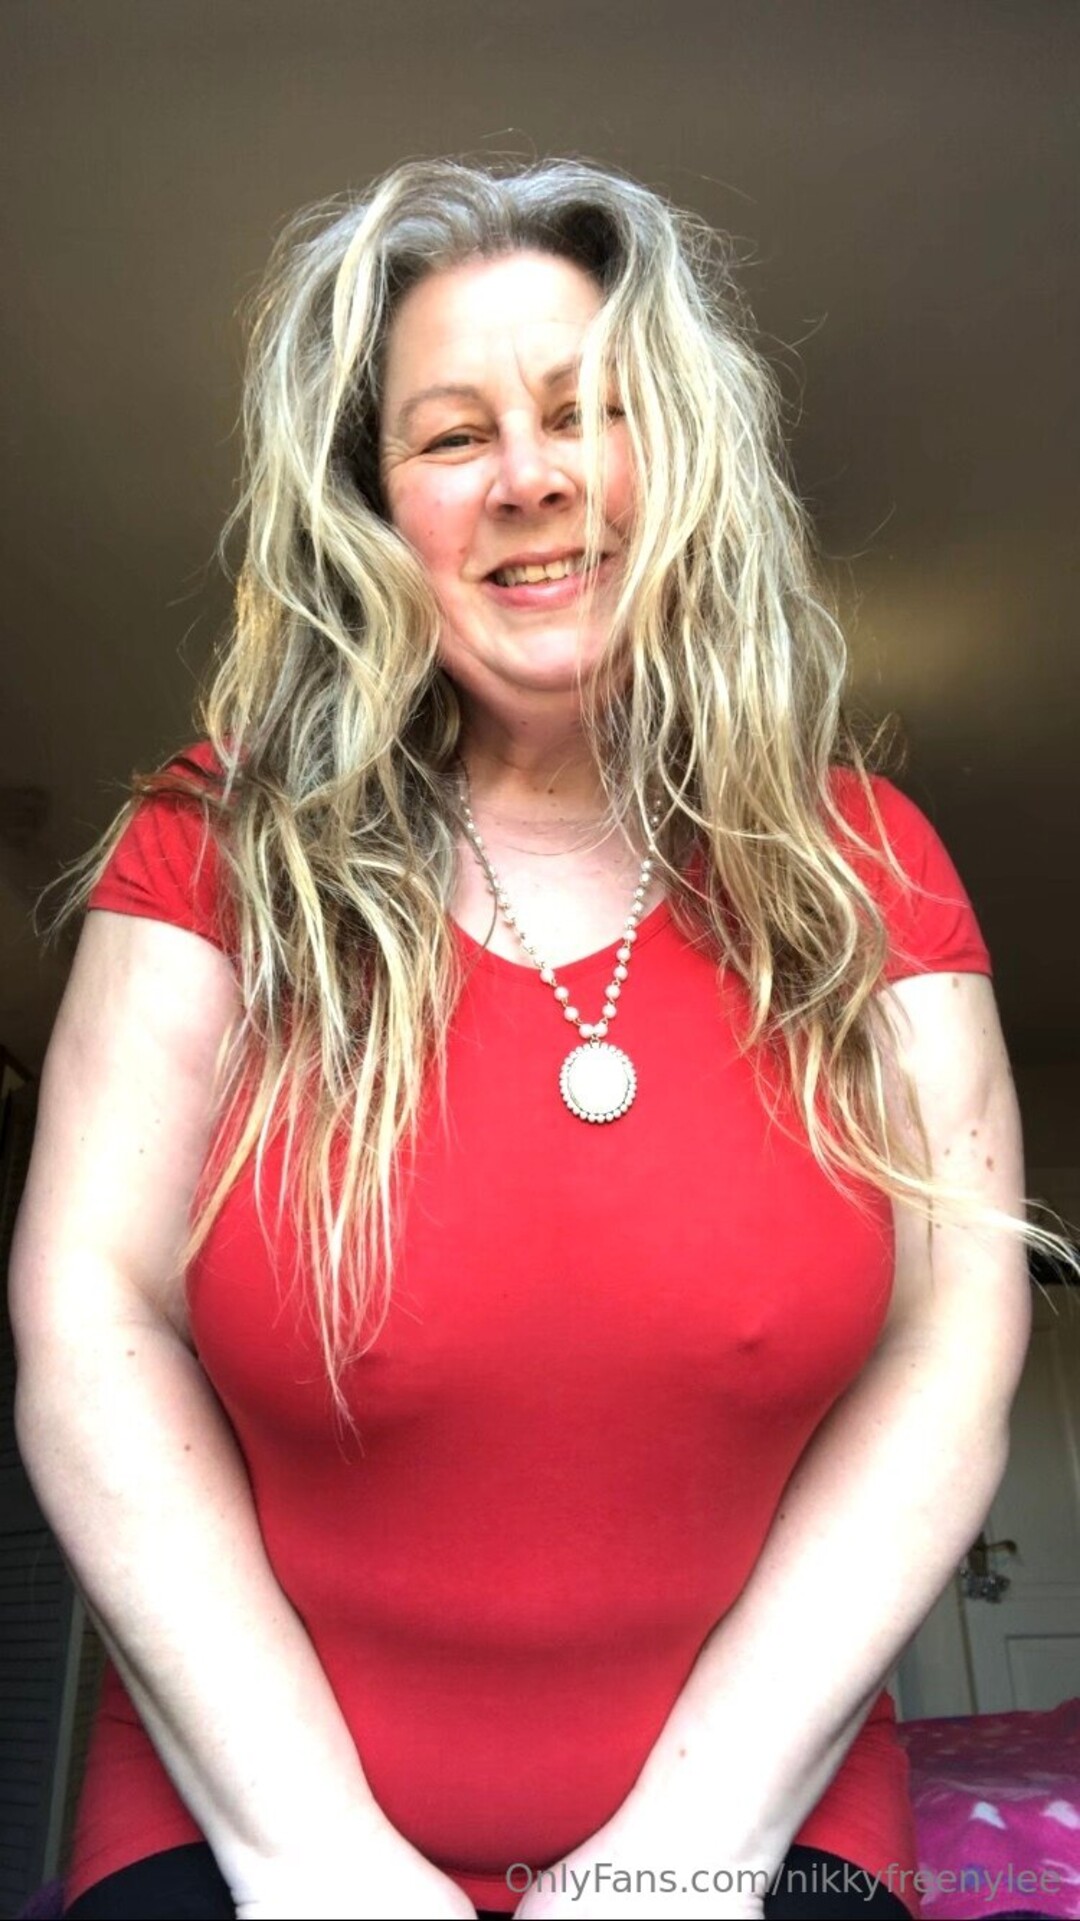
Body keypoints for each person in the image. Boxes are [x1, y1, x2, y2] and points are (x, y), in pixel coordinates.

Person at [10, 157, 1037, 1921]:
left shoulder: (873, 869)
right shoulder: (212, 850)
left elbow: (954, 1344)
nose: (532, 476)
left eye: (586, 410)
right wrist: (316, 1860)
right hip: (247, 1828)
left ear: (678, 452)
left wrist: (682, 1857)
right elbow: (88, 1310)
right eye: (451, 435)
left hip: (760, 1822)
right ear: (373, 508)